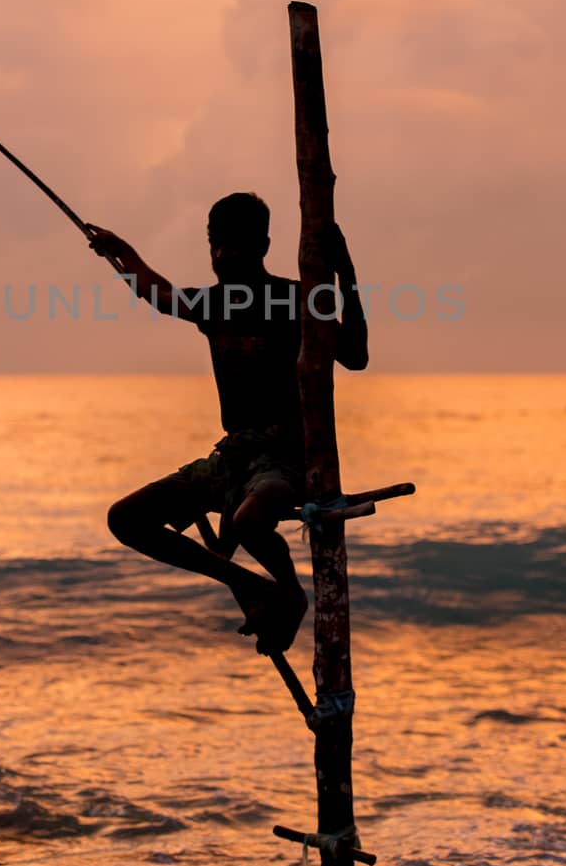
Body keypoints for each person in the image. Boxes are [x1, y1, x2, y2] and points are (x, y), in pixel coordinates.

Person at [87, 192, 368, 654]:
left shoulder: (295, 299)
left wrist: (346, 276)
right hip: (233, 457)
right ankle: (258, 587)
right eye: (215, 244)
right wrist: (122, 253)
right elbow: (158, 294)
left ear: (262, 245)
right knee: (126, 518)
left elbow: (355, 356)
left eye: (233, 245)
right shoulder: (214, 305)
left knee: (253, 519)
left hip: (289, 459)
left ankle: (288, 593)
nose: (221, 255)